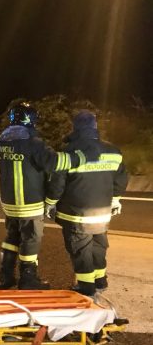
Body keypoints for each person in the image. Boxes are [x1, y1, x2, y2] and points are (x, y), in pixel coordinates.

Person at [0, 102, 96, 290]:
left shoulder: (0, 142)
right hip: (30, 204)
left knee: (12, 237)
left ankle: (5, 276)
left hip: (8, 204)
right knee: (31, 239)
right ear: (30, 119)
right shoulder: (32, 143)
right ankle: (28, 278)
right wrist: (83, 156)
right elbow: (57, 163)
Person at [45, 110, 128, 296]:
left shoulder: (68, 151)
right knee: (99, 246)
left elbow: (57, 182)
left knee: (80, 249)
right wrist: (115, 199)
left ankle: (86, 287)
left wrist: (50, 202)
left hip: (76, 214)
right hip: (102, 213)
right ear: (95, 127)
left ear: (75, 127)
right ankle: (100, 281)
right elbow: (121, 179)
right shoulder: (113, 151)